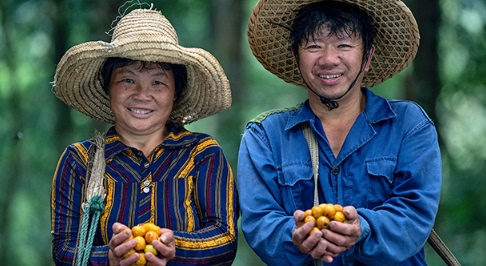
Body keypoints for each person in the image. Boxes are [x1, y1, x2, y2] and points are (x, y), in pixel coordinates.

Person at [238, 0, 441, 265]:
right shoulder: (264, 136)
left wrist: (363, 228)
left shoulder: (409, 125)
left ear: (367, 57)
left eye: (344, 45)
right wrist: (295, 236)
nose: (328, 59)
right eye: (313, 46)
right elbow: (259, 223)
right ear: (296, 56)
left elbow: (415, 214)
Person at [50, 6, 238, 266]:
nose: (142, 94)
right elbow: (63, 250)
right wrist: (109, 258)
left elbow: (225, 239)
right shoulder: (80, 160)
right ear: (108, 88)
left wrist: (175, 247)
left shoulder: (202, 153)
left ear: (176, 93)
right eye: (128, 80)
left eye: (158, 82)